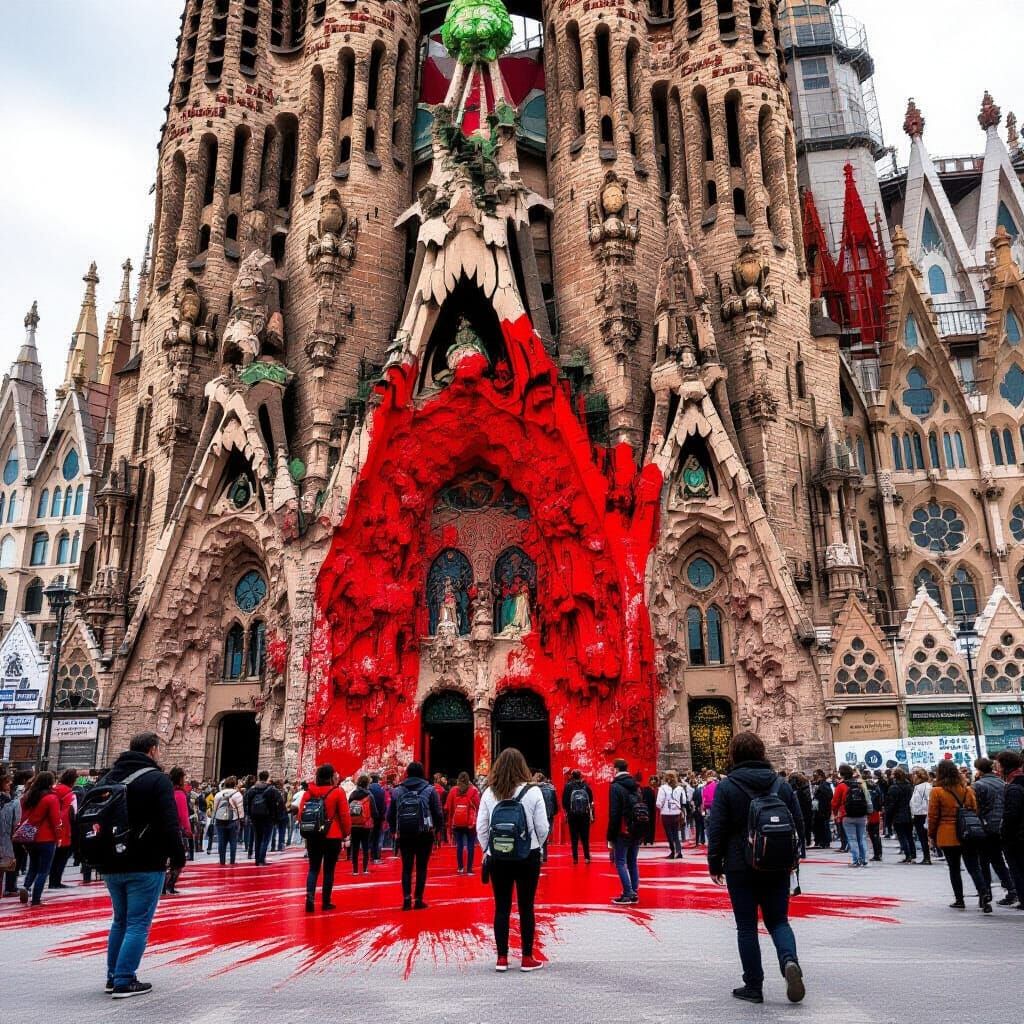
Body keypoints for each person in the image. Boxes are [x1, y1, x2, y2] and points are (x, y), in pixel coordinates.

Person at [707, 731, 805, 1005]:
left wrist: (715, 863)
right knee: (778, 921)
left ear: (734, 755)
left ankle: (753, 985)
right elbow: (798, 823)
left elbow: (717, 829)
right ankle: (789, 961)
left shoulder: (727, 787)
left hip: (740, 864)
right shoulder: (781, 784)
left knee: (747, 927)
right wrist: (795, 858)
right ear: (762, 753)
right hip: (776, 862)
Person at [96, 731, 186, 998]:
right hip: (146, 860)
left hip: (111, 860)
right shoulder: (158, 780)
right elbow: (170, 824)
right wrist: (178, 857)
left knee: (120, 921)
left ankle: (113, 976)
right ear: (152, 750)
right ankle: (124, 979)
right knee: (137, 923)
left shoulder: (109, 777)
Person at [477, 748, 549, 973]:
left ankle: (502, 958)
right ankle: (527, 957)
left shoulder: (489, 792)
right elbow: (543, 827)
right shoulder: (534, 792)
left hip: (498, 856)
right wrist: (535, 844)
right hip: (528, 856)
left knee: (501, 907)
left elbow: (481, 828)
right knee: (526, 906)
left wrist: (488, 849)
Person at [928, 758, 988, 911]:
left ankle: (959, 899)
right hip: (968, 832)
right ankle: (983, 893)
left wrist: (932, 834)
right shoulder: (967, 789)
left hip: (947, 833)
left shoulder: (937, 791)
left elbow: (933, 815)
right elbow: (974, 809)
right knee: (973, 866)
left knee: (954, 868)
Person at [388, 761, 443, 910]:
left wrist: (394, 830)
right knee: (421, 867)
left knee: (406, 867)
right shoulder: (430, 790)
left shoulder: (397, 791)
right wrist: (438, 829)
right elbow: (438, 813)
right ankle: (418, 899)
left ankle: (406, 898)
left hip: (405, 833)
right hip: (424, 833)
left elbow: (390, 814)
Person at [298, 763, 351, 911]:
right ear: (331, 777)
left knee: (313, 868)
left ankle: (310, 898)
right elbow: (344, 815)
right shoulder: (338, 792)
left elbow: (301, 814)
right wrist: (346, 833)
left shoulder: (309, 792)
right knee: (329, 870)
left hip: (314, 835)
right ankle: (326, 901)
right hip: (332, 835)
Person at [972, 757, 1017, 906]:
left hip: (985, 826)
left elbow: (976, 807)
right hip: (1001, 825)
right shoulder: (1003, 783)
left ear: (979, 770)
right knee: (998, 860)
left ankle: (986, 893)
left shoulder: (978, 785)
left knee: (983, 861)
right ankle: (1011, 889)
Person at [15, 771, 63, 906]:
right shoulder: (51, 798)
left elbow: (22, 816)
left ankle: (26, 886)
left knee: (33, 865)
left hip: (30, 836)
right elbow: (56, 819)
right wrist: (59, 836)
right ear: (50, 782)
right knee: (44, 870)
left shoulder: (27, 796)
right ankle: (36, 898)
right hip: (46, 837)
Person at [607, 758, 643, 905]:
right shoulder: (635, 785)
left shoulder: (615, 787)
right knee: (632, 861)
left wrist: (610, 836)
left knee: (620, 862)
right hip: (637, 828)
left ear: (615, 769)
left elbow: (614, 813)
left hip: (622, 830)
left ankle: (628, 893)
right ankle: (634, 891)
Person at [996, 749, 1024, 906]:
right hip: (1018, 834)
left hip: (1016, 836)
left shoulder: (1014, 786)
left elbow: (1012, 814)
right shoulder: (1016, 781)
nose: (997, 768)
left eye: (998, 764)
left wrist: (1004, 833)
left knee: (1017, 868)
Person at [832, 764, 869, 867]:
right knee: (861, 838)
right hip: (861, 815)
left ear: (841, 774)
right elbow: (867, 798)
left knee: (852, 838)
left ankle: (856, 860)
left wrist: (835, 813)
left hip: (847, 815)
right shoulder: (859, 783)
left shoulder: (841, 786)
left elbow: (835, 802)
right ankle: (864, 859)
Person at [47, 767, 78, 890]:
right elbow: (74, 813)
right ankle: (55, 881)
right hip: (64, 829)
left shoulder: (52, 790)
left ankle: (47, 880)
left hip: (50, 827)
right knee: (62, 857)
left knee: (53, 857)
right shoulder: (71, 794)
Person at [164, 767, 193, 895]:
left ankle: (164, 885)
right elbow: (183, 814)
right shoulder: (180, 794)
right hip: (175, 829)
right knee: (179, 859)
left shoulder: (166, 791)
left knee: (166, 858)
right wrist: (188, 829)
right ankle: (169, 884)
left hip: (163, 828)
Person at [445, 772, 481, 874]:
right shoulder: (474, 791)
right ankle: (469, 869)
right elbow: (479, 806)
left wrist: (450, 822)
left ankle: (460, 867)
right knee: (470, 846)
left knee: (459, 845)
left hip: (457, 823)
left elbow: (448, 807)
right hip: (470, 823)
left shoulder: (453, 790)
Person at [245, 770, 283, 866]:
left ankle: (257, 860)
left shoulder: (252, 789)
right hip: (268, 816)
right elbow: (279, 802)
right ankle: (262, 859)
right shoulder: (271, 789)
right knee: (265, 838)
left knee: (257, 838)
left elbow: (247, 802)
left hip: (255, 816)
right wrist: (276, 816)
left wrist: (249, 815)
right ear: (267, 778)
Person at [561, 770, 594, 864]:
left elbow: (564, 802)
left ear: (572, 776)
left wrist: (568, 810)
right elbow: (591, 800)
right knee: (585, 837)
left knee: (574, 837)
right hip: (585, 815)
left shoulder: (568, 786)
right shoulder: (586, 786)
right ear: (580, 776)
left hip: (572, 815)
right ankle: (587, 857)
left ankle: (575, 858)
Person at [884, 767, 916, 863]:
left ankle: (907, 855)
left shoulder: (894, 788)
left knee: (902, 836)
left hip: (898, 814)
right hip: (909, 813)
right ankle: (912, 854)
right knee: (909, 835)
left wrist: (888, 816)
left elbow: (891, 804)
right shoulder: (909, 786)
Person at [212, 776, 245, 865]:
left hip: (220, 820)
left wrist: (213, 819)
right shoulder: (237, 794)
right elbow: (240, 809)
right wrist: (241, 819)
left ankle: (222, 860)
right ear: (234, 784)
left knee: (221, 841)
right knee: (233, 841)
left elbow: (214, 808)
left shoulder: (218, 794)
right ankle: (232, 861)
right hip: (233, 819)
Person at [348, 774, 374, 875]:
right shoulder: (369, 795)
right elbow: (374, 811)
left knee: (355, 847)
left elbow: (348, 808)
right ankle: (365, 869)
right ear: (367, 783)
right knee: (365, 846)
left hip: (354, 824)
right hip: (365, 824)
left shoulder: (352, 794)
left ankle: (355, 870)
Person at [656, 770, 686, 859]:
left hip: (666, 813)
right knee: (676, 833)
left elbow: (659, 802)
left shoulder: (663, 788)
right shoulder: (680, 788)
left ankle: (673, 852)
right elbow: (683, 800)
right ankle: (679, 851)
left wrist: (661, 807)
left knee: (669, 833)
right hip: (677, 812)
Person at [533, 772, 558, 862]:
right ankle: (544, 856)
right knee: (545, 833)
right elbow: (555, 803)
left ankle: (538, 853)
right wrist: (554, 812)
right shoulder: (551, 788)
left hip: (536, 815)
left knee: (535, 834)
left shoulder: (532, 789)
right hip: (549, 814)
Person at [909, 767, 933, 864]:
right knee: (922, 836)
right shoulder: (919, 786)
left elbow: (929, 801)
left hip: (922, 814)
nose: (913, 777)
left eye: (915, 774)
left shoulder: (925, 787)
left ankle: (927, 857)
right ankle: (926, 856)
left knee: (923, 837)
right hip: (919, 814)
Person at [789, 772, 814, 853]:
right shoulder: (806, 785)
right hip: (807, 809)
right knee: (806, 826)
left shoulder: (799, 790)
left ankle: (803, 845)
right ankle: (806, 842)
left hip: (802, 809)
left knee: (801, 827)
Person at [810, 770, 833, 850]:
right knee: (819, 825)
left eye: (816, 776)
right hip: (819, 808)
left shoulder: (824, 784)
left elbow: (828, 796)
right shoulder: (819, 784)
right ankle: (820, 841)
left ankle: (825, 841)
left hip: (823, 809)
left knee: (824, 825)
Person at [368, 773, 387, 863]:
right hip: (379, 817)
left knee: (370, 837)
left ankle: (370, 856)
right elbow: (384, 805)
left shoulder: (368, 789)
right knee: (378, 837)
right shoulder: (381, 790)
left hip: (369, 817)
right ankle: (376, 856)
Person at [865, 772, 884, 862]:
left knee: (873, 834)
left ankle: (877, 854)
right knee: (875, 834)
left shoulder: (870, 792)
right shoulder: (877, 789)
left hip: (872, 813)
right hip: (876, 812)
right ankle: (878, 853)